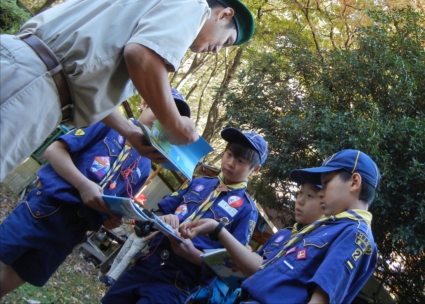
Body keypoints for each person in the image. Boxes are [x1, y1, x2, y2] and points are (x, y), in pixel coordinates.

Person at [0, 0, 255, 181]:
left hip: (29, 73)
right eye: (227, 41)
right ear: (224, 15)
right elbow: (141, 56)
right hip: (33, 86)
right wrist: (173, 124)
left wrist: (130, 131)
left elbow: (84, 85)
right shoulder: (194, 4)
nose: (218, 50)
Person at [0, 88, 191, 299]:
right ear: (144, 103)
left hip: (72, 232)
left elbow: (118, 202)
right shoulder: (107, 124)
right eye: (160, 109)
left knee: (15, 278)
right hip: (46, 209)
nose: (162, 119)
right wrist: (82, 184)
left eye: (169, 119)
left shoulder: (145, 166)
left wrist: (111, 218)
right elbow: (54, 151)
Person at [101, 128, 269, 304]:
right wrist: (162, 219)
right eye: (229, 154)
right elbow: (160, 210)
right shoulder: (199, 182)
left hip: (178, 282)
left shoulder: (247, 211)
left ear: (255, 169)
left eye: (240, 160)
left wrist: (193, 255)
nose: (230, 163)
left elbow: (233, 265)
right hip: (147, 262)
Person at [223, 149, 381, 304]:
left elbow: (321, 300)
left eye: (326, 183)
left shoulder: (355, 235)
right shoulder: (325, 228)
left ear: (354, 183)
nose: (321, 193)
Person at [181, 181, 325, 303]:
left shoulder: (321, 246)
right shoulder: (283, 234)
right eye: (300, 192)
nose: (300, 200)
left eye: (310, 195)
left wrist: (217, 230)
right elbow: (249, 272)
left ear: (326, 201)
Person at [99, 195, 158, 286]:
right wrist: (135, 229)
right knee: (120, 255)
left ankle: (112, 278)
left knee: (126, 258)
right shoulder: (149, 213)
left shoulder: (161, 221)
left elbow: (157, 232)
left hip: (141, 239)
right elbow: (137, 220)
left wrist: (144, 239)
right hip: (135, 234)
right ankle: (108, 275)